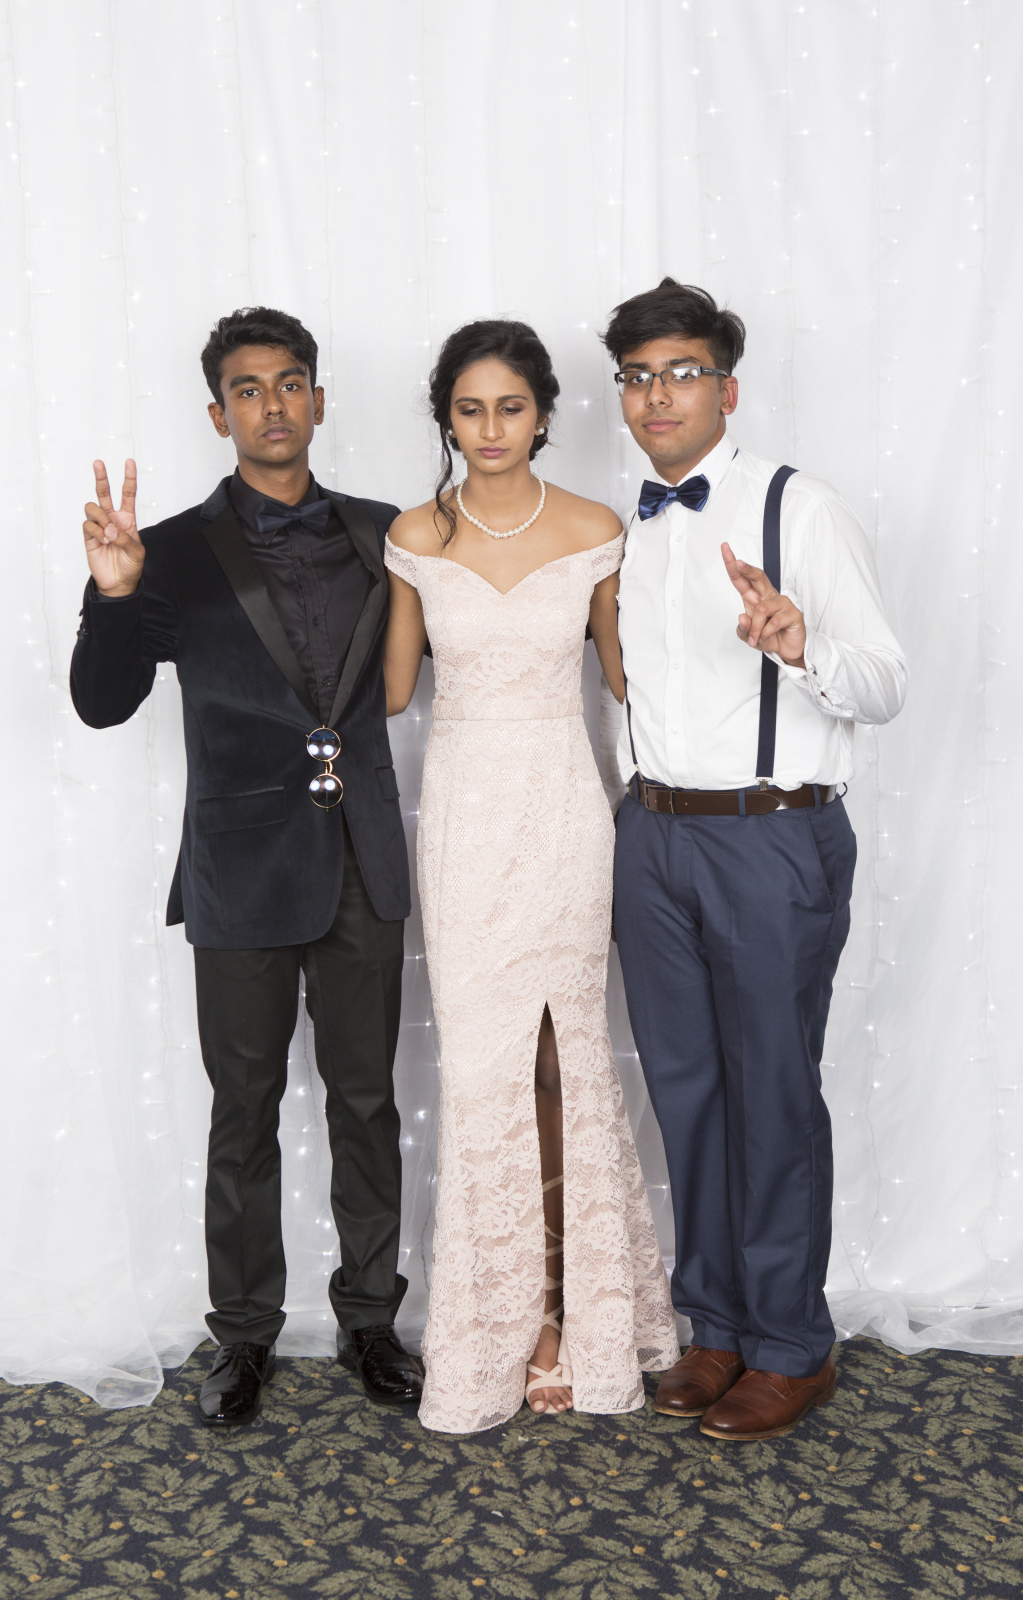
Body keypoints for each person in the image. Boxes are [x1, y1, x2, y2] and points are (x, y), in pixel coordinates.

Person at [70, 306, 423, 1426]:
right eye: (248, 389)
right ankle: (244, 1335)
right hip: (238, 870)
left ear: (318, 398)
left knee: (368, 1103)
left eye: (290, 383)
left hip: (363, 860)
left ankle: (371, 1320)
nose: (273, 404)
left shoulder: (391, 534)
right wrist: (115, 593)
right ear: (218, 414)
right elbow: (101, 703)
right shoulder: (170, 550)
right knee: (244, 1112)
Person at [604, 277, 908, 1441]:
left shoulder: (801, 508)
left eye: (681, 372)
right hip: (653, 836)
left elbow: (884, 682)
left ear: (725, 390)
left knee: (771, 1091)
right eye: (638, 376)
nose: (657, 395)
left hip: (770, 835)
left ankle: (789, 1343)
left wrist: (801, 641)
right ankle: (717, 1325)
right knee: (685, 1091)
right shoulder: (630, 527)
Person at [382, 319, 678, 1434]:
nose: (491, 427)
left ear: (544, 414)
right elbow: (390, 693)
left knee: (565, 1062)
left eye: (511, 406)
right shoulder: (413, 535)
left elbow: (630, 678)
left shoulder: (596, 529)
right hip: (464, 817)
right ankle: (498, 1325)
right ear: (447, 420)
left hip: (562, 810)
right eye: (470, 409)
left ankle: (570, 1319)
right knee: (481, 1069)